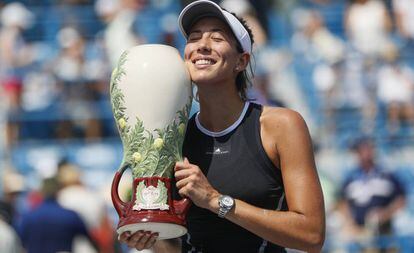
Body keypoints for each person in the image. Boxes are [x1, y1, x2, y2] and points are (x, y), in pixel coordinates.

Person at [119, 1, 325, 252]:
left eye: (217, 38)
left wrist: (216, 201)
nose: (202, 45)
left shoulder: (281, 126)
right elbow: (174, 246)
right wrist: (149, 236)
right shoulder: (174, 138)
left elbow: (312, 234)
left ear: (242, 61)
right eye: (194, 38)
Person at [338, 137, 406, 251]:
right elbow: (342, 202)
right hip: (358, 229)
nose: (366, 154)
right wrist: (349, 221)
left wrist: (385, 214)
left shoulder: (387, 175)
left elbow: (401, 199)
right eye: (362, 150)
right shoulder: (350, 178)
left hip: (383, 228)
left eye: (368, 149)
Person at [17, 176, 99, 253]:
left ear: (42, 192)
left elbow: (20, 241)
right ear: (58, 192)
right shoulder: (70, 216)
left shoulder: (28, 217)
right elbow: (89, 237)